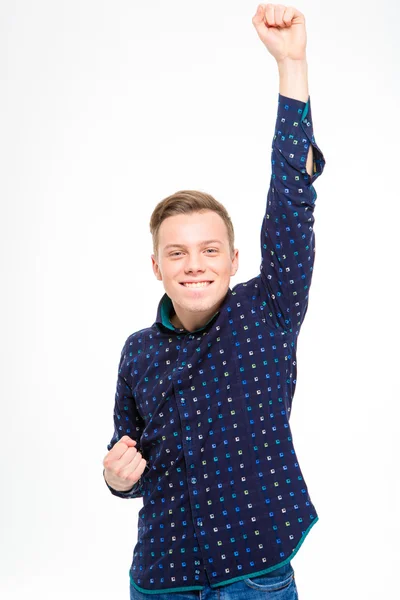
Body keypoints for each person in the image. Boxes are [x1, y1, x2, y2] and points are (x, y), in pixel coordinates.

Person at [103, 4, 326, 599]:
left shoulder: (269, 310)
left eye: (209, 250)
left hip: (254, 575)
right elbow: (130, 463)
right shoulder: (137, 352)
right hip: (161, 579)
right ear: (157, 267)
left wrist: (292, 66)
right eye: (177, 253)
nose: (194, 263)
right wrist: (116, 477)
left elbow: (289, 202)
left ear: (234, 260)